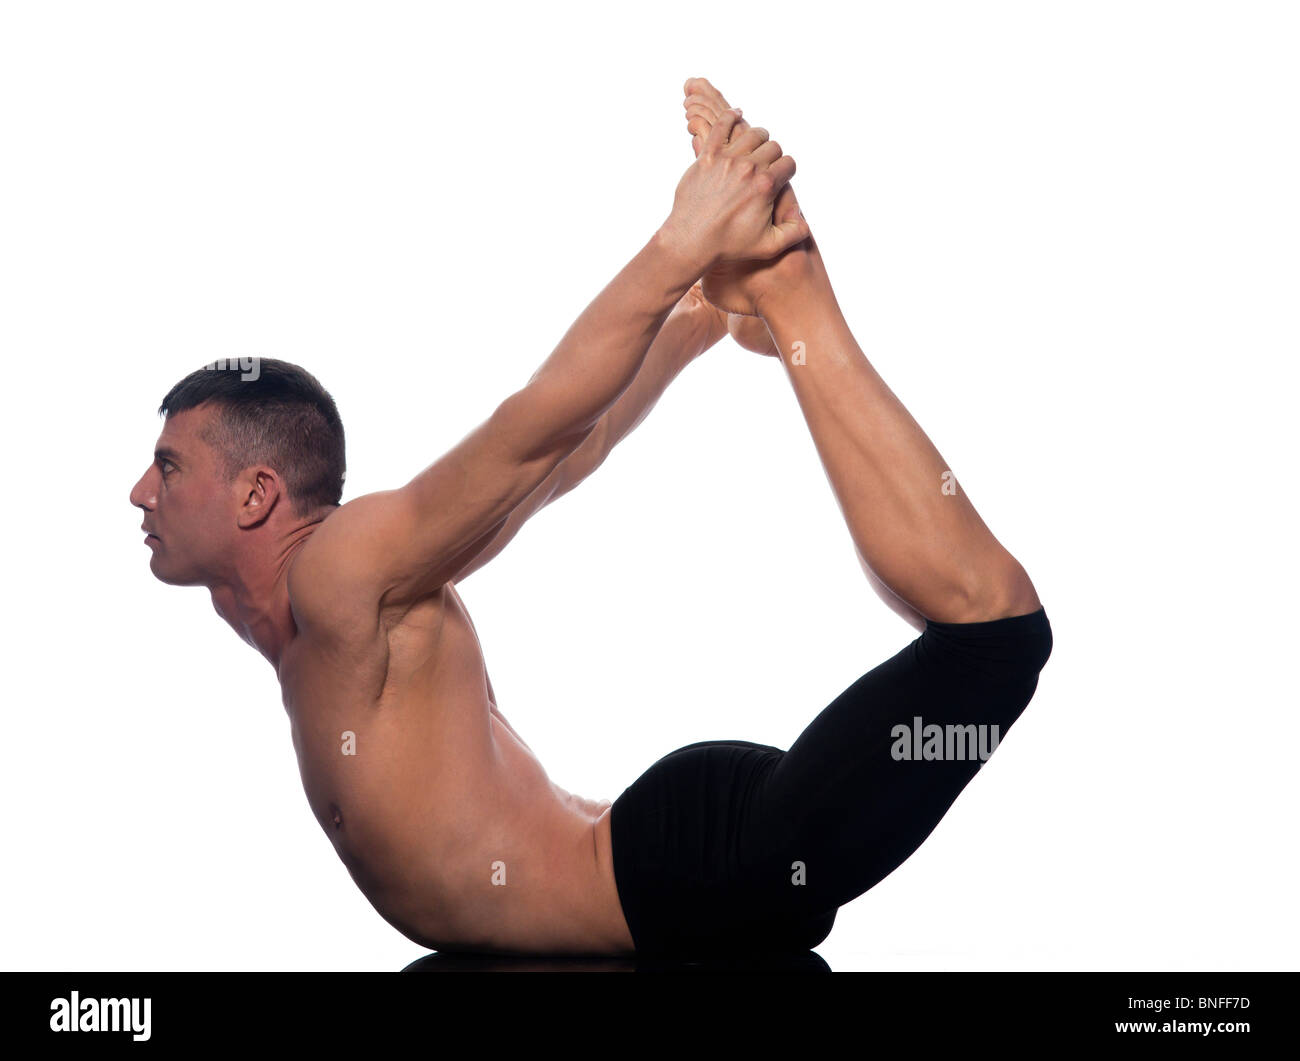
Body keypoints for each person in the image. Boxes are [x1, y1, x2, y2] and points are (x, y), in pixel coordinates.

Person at [130, 78, 1050, 959]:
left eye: (168, 467)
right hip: (675, 857)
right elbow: (563, 456)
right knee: (985, 642)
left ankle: (791, 288)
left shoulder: (335, 572)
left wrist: (683, 242)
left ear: (256, 495)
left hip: (690, 872)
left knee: (996, 632)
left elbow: (534, 427)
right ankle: (757, 291)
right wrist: (692, 315)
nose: (141, 491)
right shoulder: (308, 608)